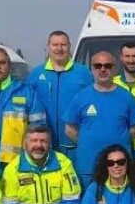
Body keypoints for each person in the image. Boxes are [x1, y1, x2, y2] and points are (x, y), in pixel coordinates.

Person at [63, 50, 135, 184]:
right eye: (98, 66)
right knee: (89, 203)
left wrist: (117, 140)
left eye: (107, 66)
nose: (102, 69)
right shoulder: (80, 97)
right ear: (91, 69)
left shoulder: (127, 97)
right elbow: (69, 130)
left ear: (115, 68)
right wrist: (87, 142)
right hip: (89, 166)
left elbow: (134, 130)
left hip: (119, 166)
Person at [29, 30, 92, 159]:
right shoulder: (36, 74)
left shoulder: (83, 73)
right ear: (48, 47)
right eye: (55, 44)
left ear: (69, 46)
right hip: (44, 145)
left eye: (63, 45)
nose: (59, 48)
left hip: (75, 145)